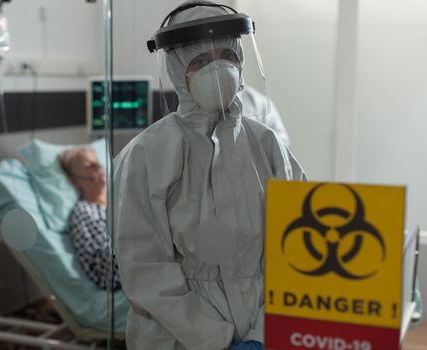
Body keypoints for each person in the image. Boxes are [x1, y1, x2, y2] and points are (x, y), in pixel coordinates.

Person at [113, 1, 306, 350]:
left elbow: (295, 250)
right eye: (201, 61)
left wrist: (262, 335)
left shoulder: (268, 146)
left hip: (264, 329)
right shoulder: (146, 155)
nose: (219, 70)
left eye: (227, 57)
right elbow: (146, 270)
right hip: (177, 338)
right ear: (176, 70)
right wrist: (214, 341)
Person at [59, 146, 120, 290]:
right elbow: (106, 266)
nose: (99, 168)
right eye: (89, 166)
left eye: (98, 163)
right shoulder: (84, 212)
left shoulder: (119, 199)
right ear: (74, 181)